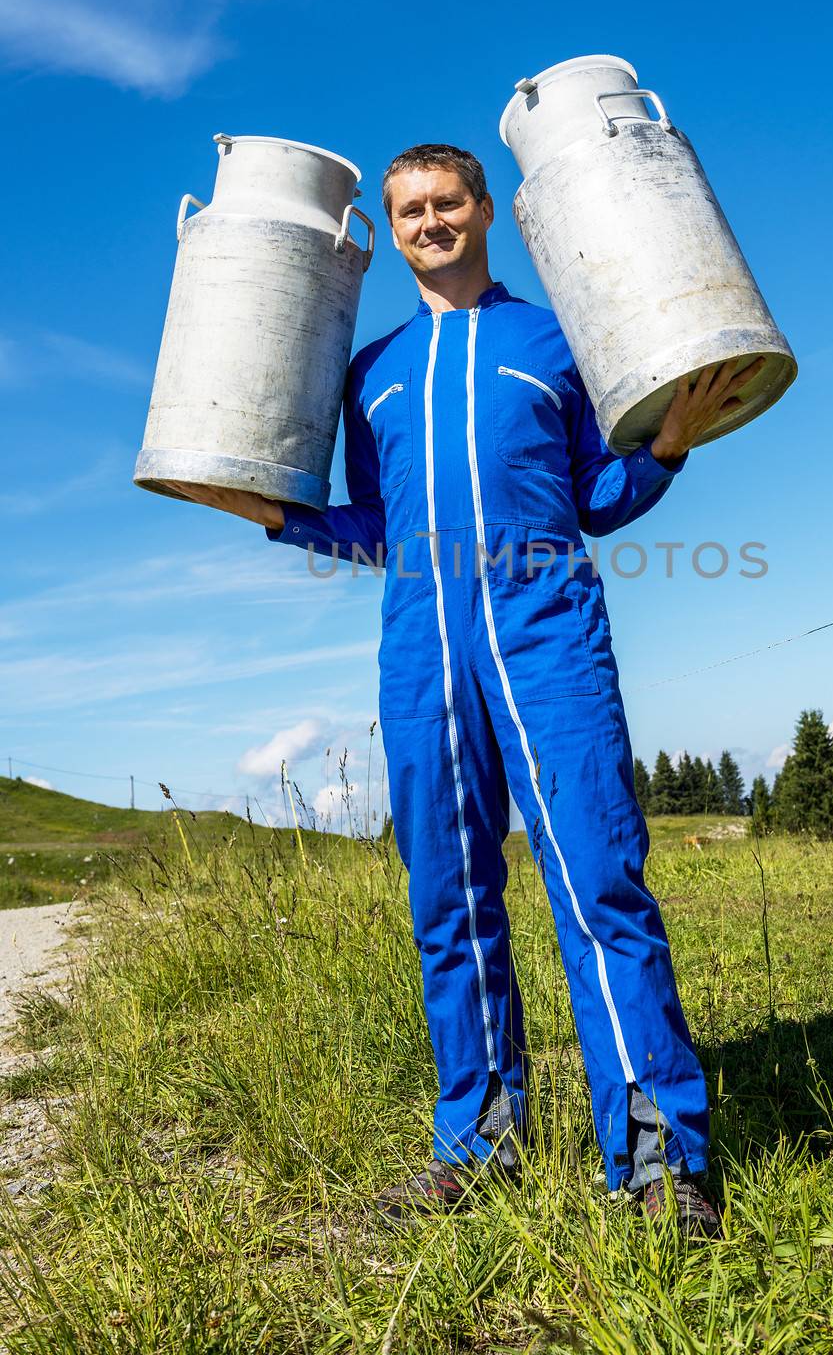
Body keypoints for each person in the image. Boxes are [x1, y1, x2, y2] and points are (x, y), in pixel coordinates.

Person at [195, 143, 761, 1237]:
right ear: (390, 229)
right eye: (409, 210)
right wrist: (273, 513)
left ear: (486, 209)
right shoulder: (375, 372)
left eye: (445, 203)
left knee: (601, 882)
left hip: (548, 634)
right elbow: (375, 523)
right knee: (447, 901)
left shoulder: (554, 338)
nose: (428, 222)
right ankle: (480, 1145)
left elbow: (598, 493)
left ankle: (659, 1161)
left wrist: (673, 447)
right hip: (421, 646)